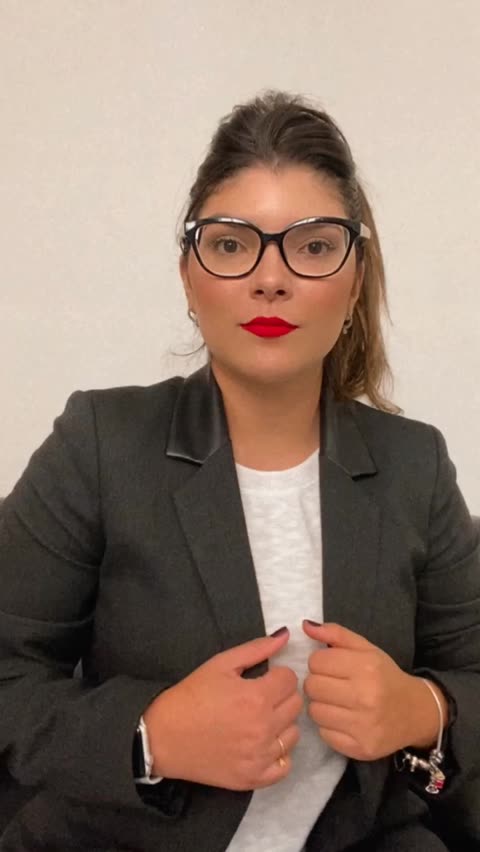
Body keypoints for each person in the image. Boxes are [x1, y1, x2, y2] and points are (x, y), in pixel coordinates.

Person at [0, 90, 479, 852]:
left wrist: (424, 709)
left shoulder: (413, 465)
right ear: (189, 276)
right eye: (231, 244)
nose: (271, 279)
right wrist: (150, 736)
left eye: (313, 247)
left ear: (355, 280)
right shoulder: (98, 445)